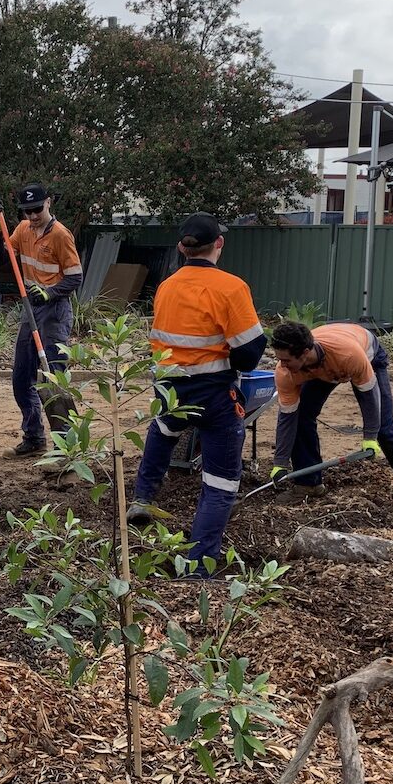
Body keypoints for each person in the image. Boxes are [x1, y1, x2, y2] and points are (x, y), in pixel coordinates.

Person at [126, 213, 266, 566]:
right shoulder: (231, 288)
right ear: (219, 243)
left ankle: (142, 497)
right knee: (220, 484)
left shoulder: (167, 285)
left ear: (181, 247)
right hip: (214, 391)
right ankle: (199, 564)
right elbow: (249, 354)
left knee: (163, 428)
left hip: (170, 385)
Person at [269, 320, 393, 512]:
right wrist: (280, 463)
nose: (282, 365)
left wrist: (370, 437)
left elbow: (369, 395)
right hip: (325, 368)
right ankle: (308, 483)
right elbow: (287, 418)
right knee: (301, 417)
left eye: (286, 360)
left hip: (365, 355)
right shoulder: (286, 372)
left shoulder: (348, 355)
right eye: (279, 359)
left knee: (385, 430)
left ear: (305, 353)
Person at [0, 182, 83, 457]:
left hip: (54, 312)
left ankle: (66, 448)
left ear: (49, 203)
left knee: (54, 378)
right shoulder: (21, 229)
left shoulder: (61, 235)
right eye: (27, 211)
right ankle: (33, 438)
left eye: (36, 210)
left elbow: (75, 277)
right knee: (22, 377)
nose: (32, 216)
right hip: (30, 310)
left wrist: (50, 292)